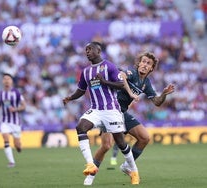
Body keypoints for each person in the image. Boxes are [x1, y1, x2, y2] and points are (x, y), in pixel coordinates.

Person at [84, 52, 175, 185]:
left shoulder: (146, 83)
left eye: (148, 63)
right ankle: (90, 176)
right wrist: (131, 93)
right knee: (106, 145)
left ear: (151, 68)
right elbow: (123, 77)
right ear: (138, 63)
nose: (144, 65)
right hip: (109, 111)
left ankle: (127, 165)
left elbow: (156, 102)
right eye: (143, 62)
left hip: (122, 113)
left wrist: (164, 94)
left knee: (145, 137)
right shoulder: (131, 73)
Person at [63, 41, 140, 185]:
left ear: (98, 51)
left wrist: (104, 81)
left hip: (111, 110)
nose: (87, 52)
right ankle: (90, 165)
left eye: (90, 49)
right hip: (96, 110)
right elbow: (81, 90)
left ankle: (134, 171)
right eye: (85, 50)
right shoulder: (86, 71)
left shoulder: (109, 66)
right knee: (81, 127)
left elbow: (121, 84)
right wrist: (70, 98)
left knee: (121, 143)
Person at [0, 73, 26, 167]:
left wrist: (15, 109)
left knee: (17, 145)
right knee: (5, 139)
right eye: (5, 79)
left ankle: (18, 147)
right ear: (2, 81)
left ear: (11, 81)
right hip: (5, 121)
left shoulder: (17, 93)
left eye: (8, 79)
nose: (6, 80)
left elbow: (24, 106)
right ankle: (11, 162)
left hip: (15, 122)